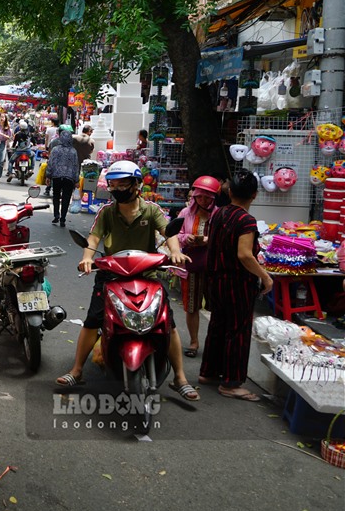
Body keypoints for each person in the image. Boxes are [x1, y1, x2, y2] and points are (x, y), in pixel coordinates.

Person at [55, 160, 199, 402]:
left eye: (124, 184)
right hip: (112, 274)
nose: (118, 189)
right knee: (93, 320)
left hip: (147, 274)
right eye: (114, 184)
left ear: (136, 185)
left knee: (168, 323)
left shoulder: (152, 210)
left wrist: (174, 251)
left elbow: (169, 234)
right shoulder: (107, 212)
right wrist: (87, 258)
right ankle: (77, 370)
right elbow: (93, 238)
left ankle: (180, 378)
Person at [199, 169, 272, 401]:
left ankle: (209, 372)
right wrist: (266, 277)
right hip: (237, 283)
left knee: (218, 326)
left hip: (215, 280)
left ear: (229, 192)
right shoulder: (246, 220)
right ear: (254, 195)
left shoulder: (219, 214)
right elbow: (244, 255)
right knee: (238, 331)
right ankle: (231, 383)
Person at [174, 176, 220, 357]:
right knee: (191, 307)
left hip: (213, 268)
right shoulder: (185, 213)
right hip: (190, 265)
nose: (203, 201)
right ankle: (194, 342)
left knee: (215, 307)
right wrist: (187, 238)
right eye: (200, 197)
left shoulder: (219, 214)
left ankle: (213, 342)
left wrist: (210, 240)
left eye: (208, 198)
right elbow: (175, 235)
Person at [46, 129, 79, 227]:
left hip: (56, 176)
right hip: (69, 178)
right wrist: (76, 180)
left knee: (56, 195)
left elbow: (51, 163)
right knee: (66, 197)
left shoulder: (56, 149)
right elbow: (75, 166)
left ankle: (56, 214)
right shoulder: (73, 151)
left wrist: (48, 175)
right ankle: (63, 218)